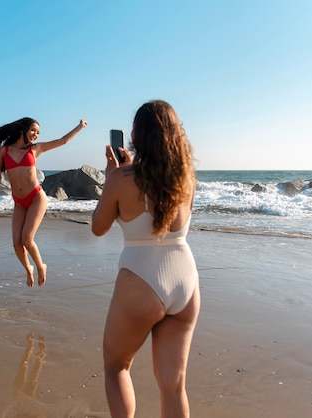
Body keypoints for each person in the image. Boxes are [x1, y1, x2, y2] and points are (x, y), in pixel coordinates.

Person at [92, 100, 200, 417]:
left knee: (116, 368)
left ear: (136, 136)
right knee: (174, 386)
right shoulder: (187, 178)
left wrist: (113, 175)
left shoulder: (120, 178)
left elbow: (98, 228)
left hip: (142, 278)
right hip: (185, 280)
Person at [0, 117, 88, 287]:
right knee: (16, 242)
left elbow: (63, 141)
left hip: (36, 197)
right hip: (19, 202)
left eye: (38, 132)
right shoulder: (4, 151)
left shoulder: (36, 149)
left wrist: (80, 126)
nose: (36, 135)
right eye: (33, 130)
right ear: (23, 129)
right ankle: (29, 269)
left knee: (27, 239)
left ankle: (41, 266)